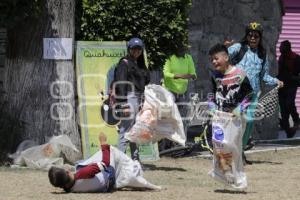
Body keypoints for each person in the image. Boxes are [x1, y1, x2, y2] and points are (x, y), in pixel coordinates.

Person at [225, 22, 284, 161]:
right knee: (236, 123)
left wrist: (276, 81)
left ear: (260, 37)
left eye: (256, 36)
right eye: (250, 35)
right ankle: (232, 151)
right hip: (237, 93)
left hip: (253, 95)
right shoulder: (238, 48)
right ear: (246, 36)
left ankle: (240, 150)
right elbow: (223, 58)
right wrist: (225, 48)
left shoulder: (262, 54)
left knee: (249, 121)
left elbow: (264, 75)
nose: (253, 38)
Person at [208, 44, 253, 189]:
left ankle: (239, 180)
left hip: (235, 119)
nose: (214, 62)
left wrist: (240, 108)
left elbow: (250, 95)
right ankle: (223, 174)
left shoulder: (240, 74)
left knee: (234, 148)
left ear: (226, 57)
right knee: (219, 146)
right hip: (219, 118)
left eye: (216, 58)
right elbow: (212, 94)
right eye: (212, 60)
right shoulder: (215, 76)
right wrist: (211, 107)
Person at [112, 37, 150, 161]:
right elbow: (120, 83)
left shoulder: (139, 64)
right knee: (125, 130)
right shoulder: (124, 62)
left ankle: (135, 161)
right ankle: (119, 163)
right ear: (129, 49)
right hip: (129, 98)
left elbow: (146, 80)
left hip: (138, 99)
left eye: (139, 49)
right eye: (134, 48)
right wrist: (123, 104)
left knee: (134, 131)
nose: (136, 51)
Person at [48, 133, 115, 193]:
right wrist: (103, 142)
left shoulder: (68, 189)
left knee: (78, 164)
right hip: (109, 179)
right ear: (67, 171)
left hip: (101, 186)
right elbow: (105, 163)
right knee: (83, 164)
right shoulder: (83, 173)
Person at [162, 43, 197, 148]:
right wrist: (178, 76)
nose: (183, 50)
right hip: (169, 91)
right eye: (181, 48)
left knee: (182, 117)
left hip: (183, 92)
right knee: (169, 117)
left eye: (185, 48)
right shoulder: (170, 58)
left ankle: (180, 142)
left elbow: (193, 73)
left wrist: (192, 76)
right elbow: (165, 73)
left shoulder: (188, 58)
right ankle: (166, 143)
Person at [277, 40, 300, 138]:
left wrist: (293, 77)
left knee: (289, 103)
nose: (280, 49)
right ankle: (288, 132)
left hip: (291, 85)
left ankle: (296, 120)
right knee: (283, 111)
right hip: (282, 86)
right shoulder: (282, 58)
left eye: (282, 47)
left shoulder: (296, 58)